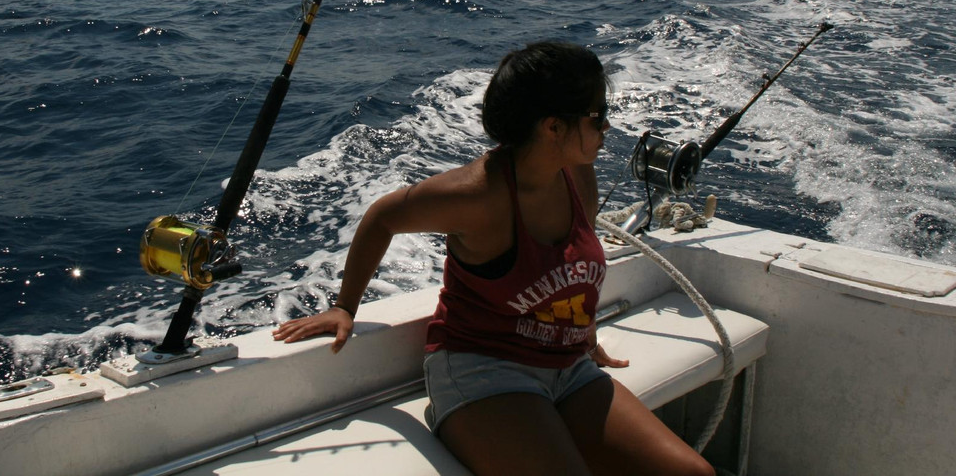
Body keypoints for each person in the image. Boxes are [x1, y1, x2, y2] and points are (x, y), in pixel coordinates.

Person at [273, 42, 714, 476]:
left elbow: (568, 267)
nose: (607, 129)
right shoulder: (477, 196)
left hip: (570, 367)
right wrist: (345, 305)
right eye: (597, 117)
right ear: (553, 128)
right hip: (485, 370)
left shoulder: (577, 174)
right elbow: (382, 216)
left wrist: (579, 332)